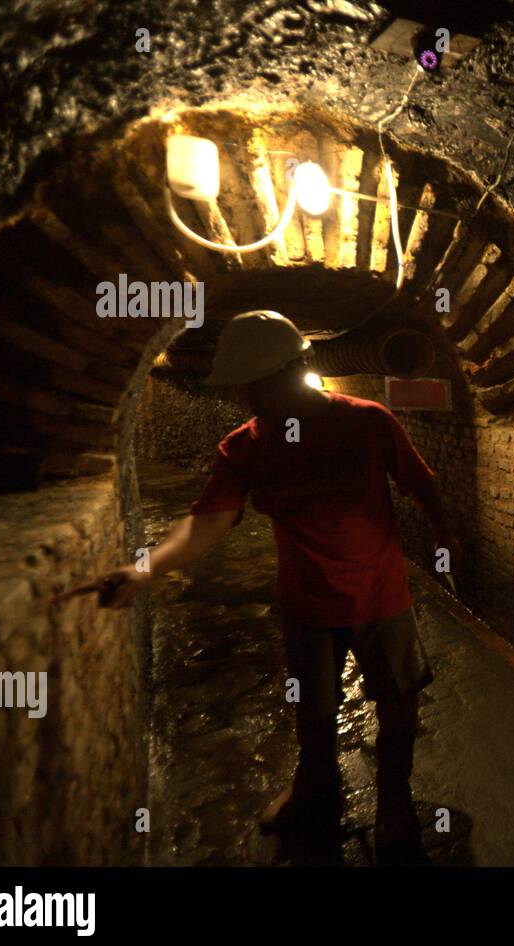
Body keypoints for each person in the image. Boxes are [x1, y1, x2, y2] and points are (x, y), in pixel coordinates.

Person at [93, 309, 461, 859]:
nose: (245, 399)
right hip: (307, 604)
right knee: (313, 711)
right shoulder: (244, 447)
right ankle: (315, 787)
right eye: (243, 388)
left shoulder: (367, 421)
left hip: (381, 596)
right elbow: (209, 521)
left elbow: (421, 485)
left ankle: (394, 800)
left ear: (290, 371)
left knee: (399, 706)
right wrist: (146, 567)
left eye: (254, 386)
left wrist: (447, 542)